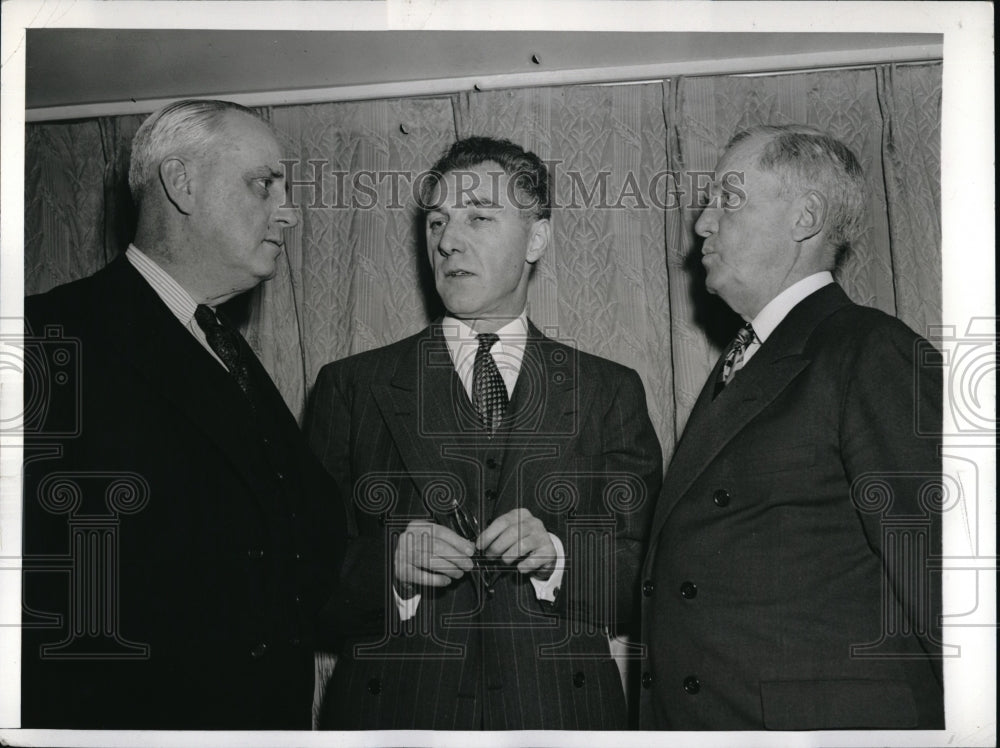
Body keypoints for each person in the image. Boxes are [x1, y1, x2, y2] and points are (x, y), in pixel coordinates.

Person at [306, 136, 663, 730]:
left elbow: (650, 583)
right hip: (394, 716)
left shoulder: (608, 390)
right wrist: (388, 565)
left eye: (479, 217)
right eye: (438, 221)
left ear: (537, 238)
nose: (447, 240)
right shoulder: (352, 386)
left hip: (560, 716)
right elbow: (304, 583)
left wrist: (556, 557)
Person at [21, 99, 347, 729]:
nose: (289, 211)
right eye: (263, 184)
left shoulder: (225, 348)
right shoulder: (42, 338)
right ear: (181, 183)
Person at [638, 125, 944, 730]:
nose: (702, 225)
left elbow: (945, 580)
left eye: (729, 199)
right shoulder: (747, 359)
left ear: (805, 217)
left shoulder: (872, 350)